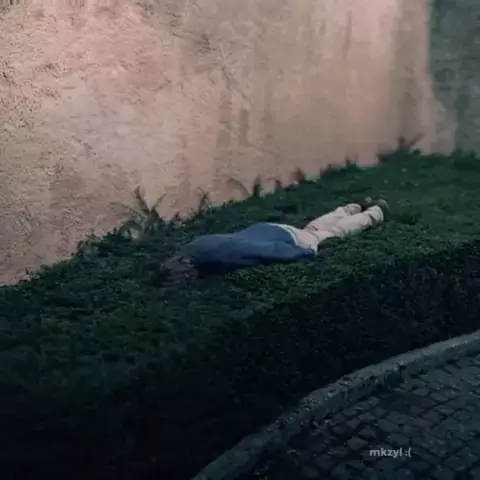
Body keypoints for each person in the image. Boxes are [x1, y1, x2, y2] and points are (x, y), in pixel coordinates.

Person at [157, 197, 389, 285]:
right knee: (312, 229)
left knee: (327, 234)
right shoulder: (193, 248)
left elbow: (264, 251)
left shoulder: (220, 257)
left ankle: (375, 213)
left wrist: (303, 253)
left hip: (282, 240)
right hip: (268, 229)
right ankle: (353, 207)